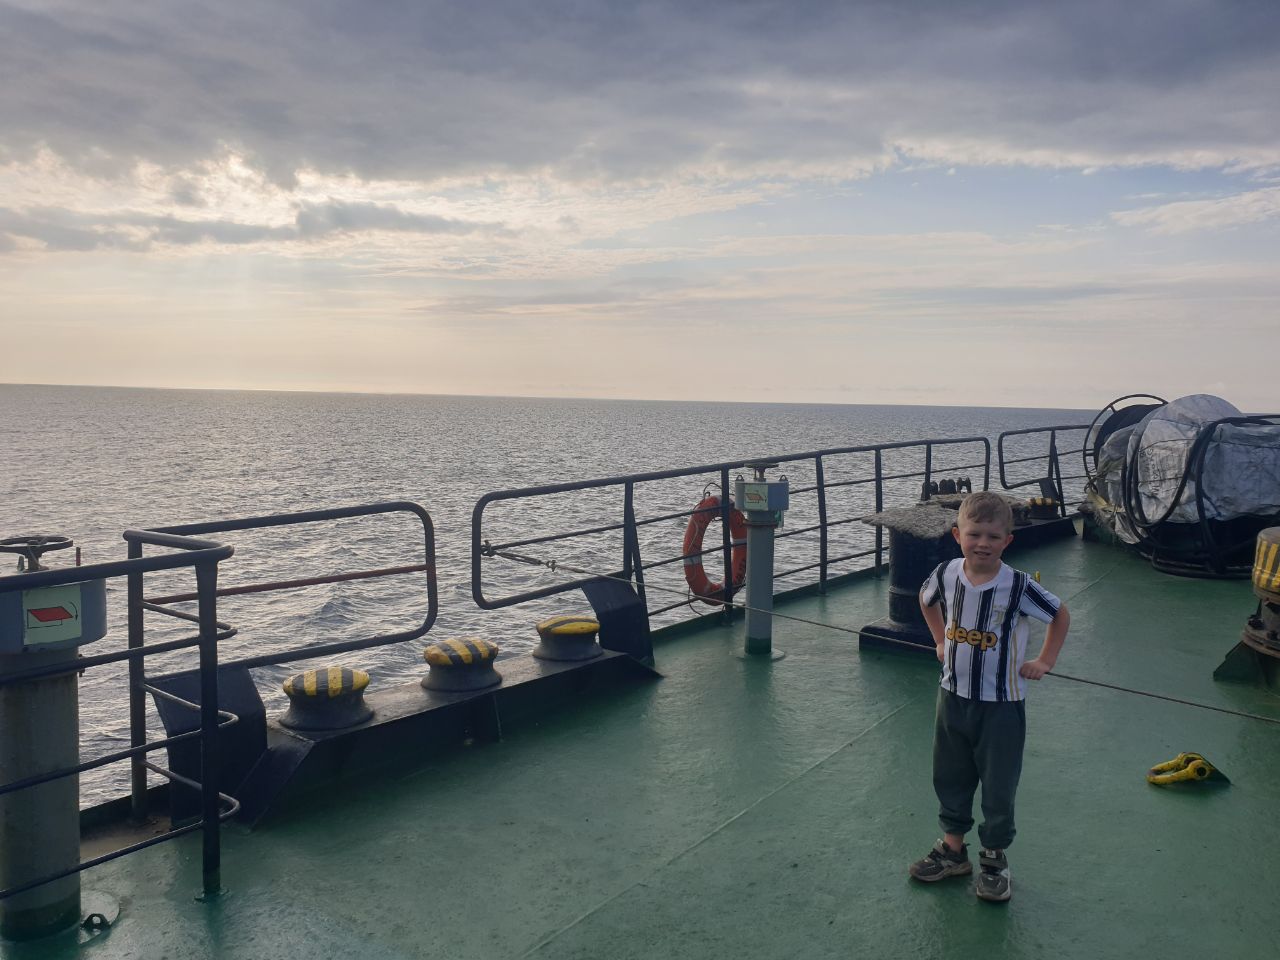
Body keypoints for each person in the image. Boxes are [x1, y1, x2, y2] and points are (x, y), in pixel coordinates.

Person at [908, 490, 1070, 902]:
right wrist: (940, 641)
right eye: (974, 534)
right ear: (956, 533)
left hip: (1001, 706)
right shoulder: (946, 574)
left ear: (1007, 541)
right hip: (953, 697)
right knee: (950, 774)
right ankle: (953, 850)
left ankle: (995, 858)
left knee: (998, 784)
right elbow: (926, 601)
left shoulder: (1017, 586)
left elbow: (1059, 614)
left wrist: (1044, 660)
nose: (983, 543)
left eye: (993, 536)